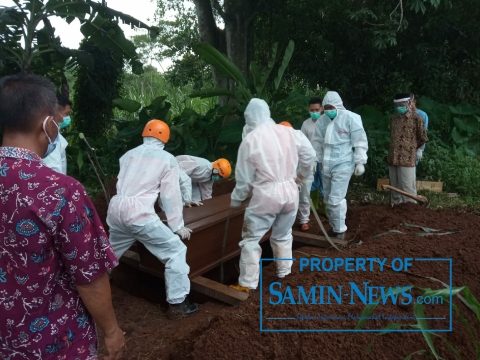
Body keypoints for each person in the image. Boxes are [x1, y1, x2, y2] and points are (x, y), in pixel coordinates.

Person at [0, 74, 124, 359]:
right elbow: (89, 274)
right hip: (55, 341)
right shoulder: (61, 191)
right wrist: (112, 330)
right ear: (46, 122)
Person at [107, 120, 199, 319]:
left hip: (116, 210)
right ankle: (178, 305)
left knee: (109, 253)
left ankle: (92, 286)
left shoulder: (127, 155)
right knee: (176, 251)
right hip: (139, 214)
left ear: (144, 134)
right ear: (164, 138)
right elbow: (169, 195)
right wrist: (177, 226)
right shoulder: (166, 159)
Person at [230, 99, 316, 293]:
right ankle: (285, 273)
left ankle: (247, 284)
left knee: (251, 240)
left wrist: (237, 199)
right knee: (284, 234)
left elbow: (243, 178)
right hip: (290, 191)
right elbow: (310, 155)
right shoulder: (290, 132)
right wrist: (301, 175)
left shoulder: (251, 139)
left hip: (266, 195)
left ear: (249, 117)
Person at [312, 91, 368, 240]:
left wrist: (360, 161)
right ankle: (335, 227)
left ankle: (340, 231)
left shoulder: (350, 118)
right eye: (326, 107)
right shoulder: (322, 121)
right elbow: (317, 142)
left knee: (336, 199)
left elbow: (360, 141)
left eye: (331, 107)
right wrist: (314, 160)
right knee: (328, 198)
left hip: (343, 162)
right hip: (326, 163)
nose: (329, 110)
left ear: (338, 105)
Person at [388, 93, 428, 205]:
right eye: (397, 105)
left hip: (407, 157)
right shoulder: (393, 118)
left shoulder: (417, 118)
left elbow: (422, 137)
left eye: (401, 104)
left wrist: (417, 149)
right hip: (393, 156)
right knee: (394, 186)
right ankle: (394, 207)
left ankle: (410, 209)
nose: (399, 107)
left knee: (407, 185)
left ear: (409, 103)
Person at [279, 121, 316, 231]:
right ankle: (286, 221)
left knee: (304, 197)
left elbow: (309, 157)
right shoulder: (276, 140)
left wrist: (302, 175)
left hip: (304, 171)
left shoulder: (299, 138)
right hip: (288, 174)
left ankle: (304, 220)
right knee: (287, 198)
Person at [300, 98, 327, 228]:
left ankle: (327, 209)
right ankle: (313, 206)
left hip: (325, 158)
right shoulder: (306, 124)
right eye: (312, 110)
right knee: (312, 183)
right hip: (310, 159)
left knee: (326, 183)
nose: (314, 112)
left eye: (317, 110)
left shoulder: (327, 122)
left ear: (322, 109)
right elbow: (302, 142)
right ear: (308, 110)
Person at [42, 93, 72, 174]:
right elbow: (54, 169)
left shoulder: (57, 137)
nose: (68, 118)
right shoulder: (49, 138)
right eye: (67, 114)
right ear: (55, 112)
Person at [410, 93, 429, 166]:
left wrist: (420, 149)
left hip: (415, 147)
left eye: (409, 102)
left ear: (414, 102)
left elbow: (423, 133)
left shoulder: (422, 115)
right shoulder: (404, 114)